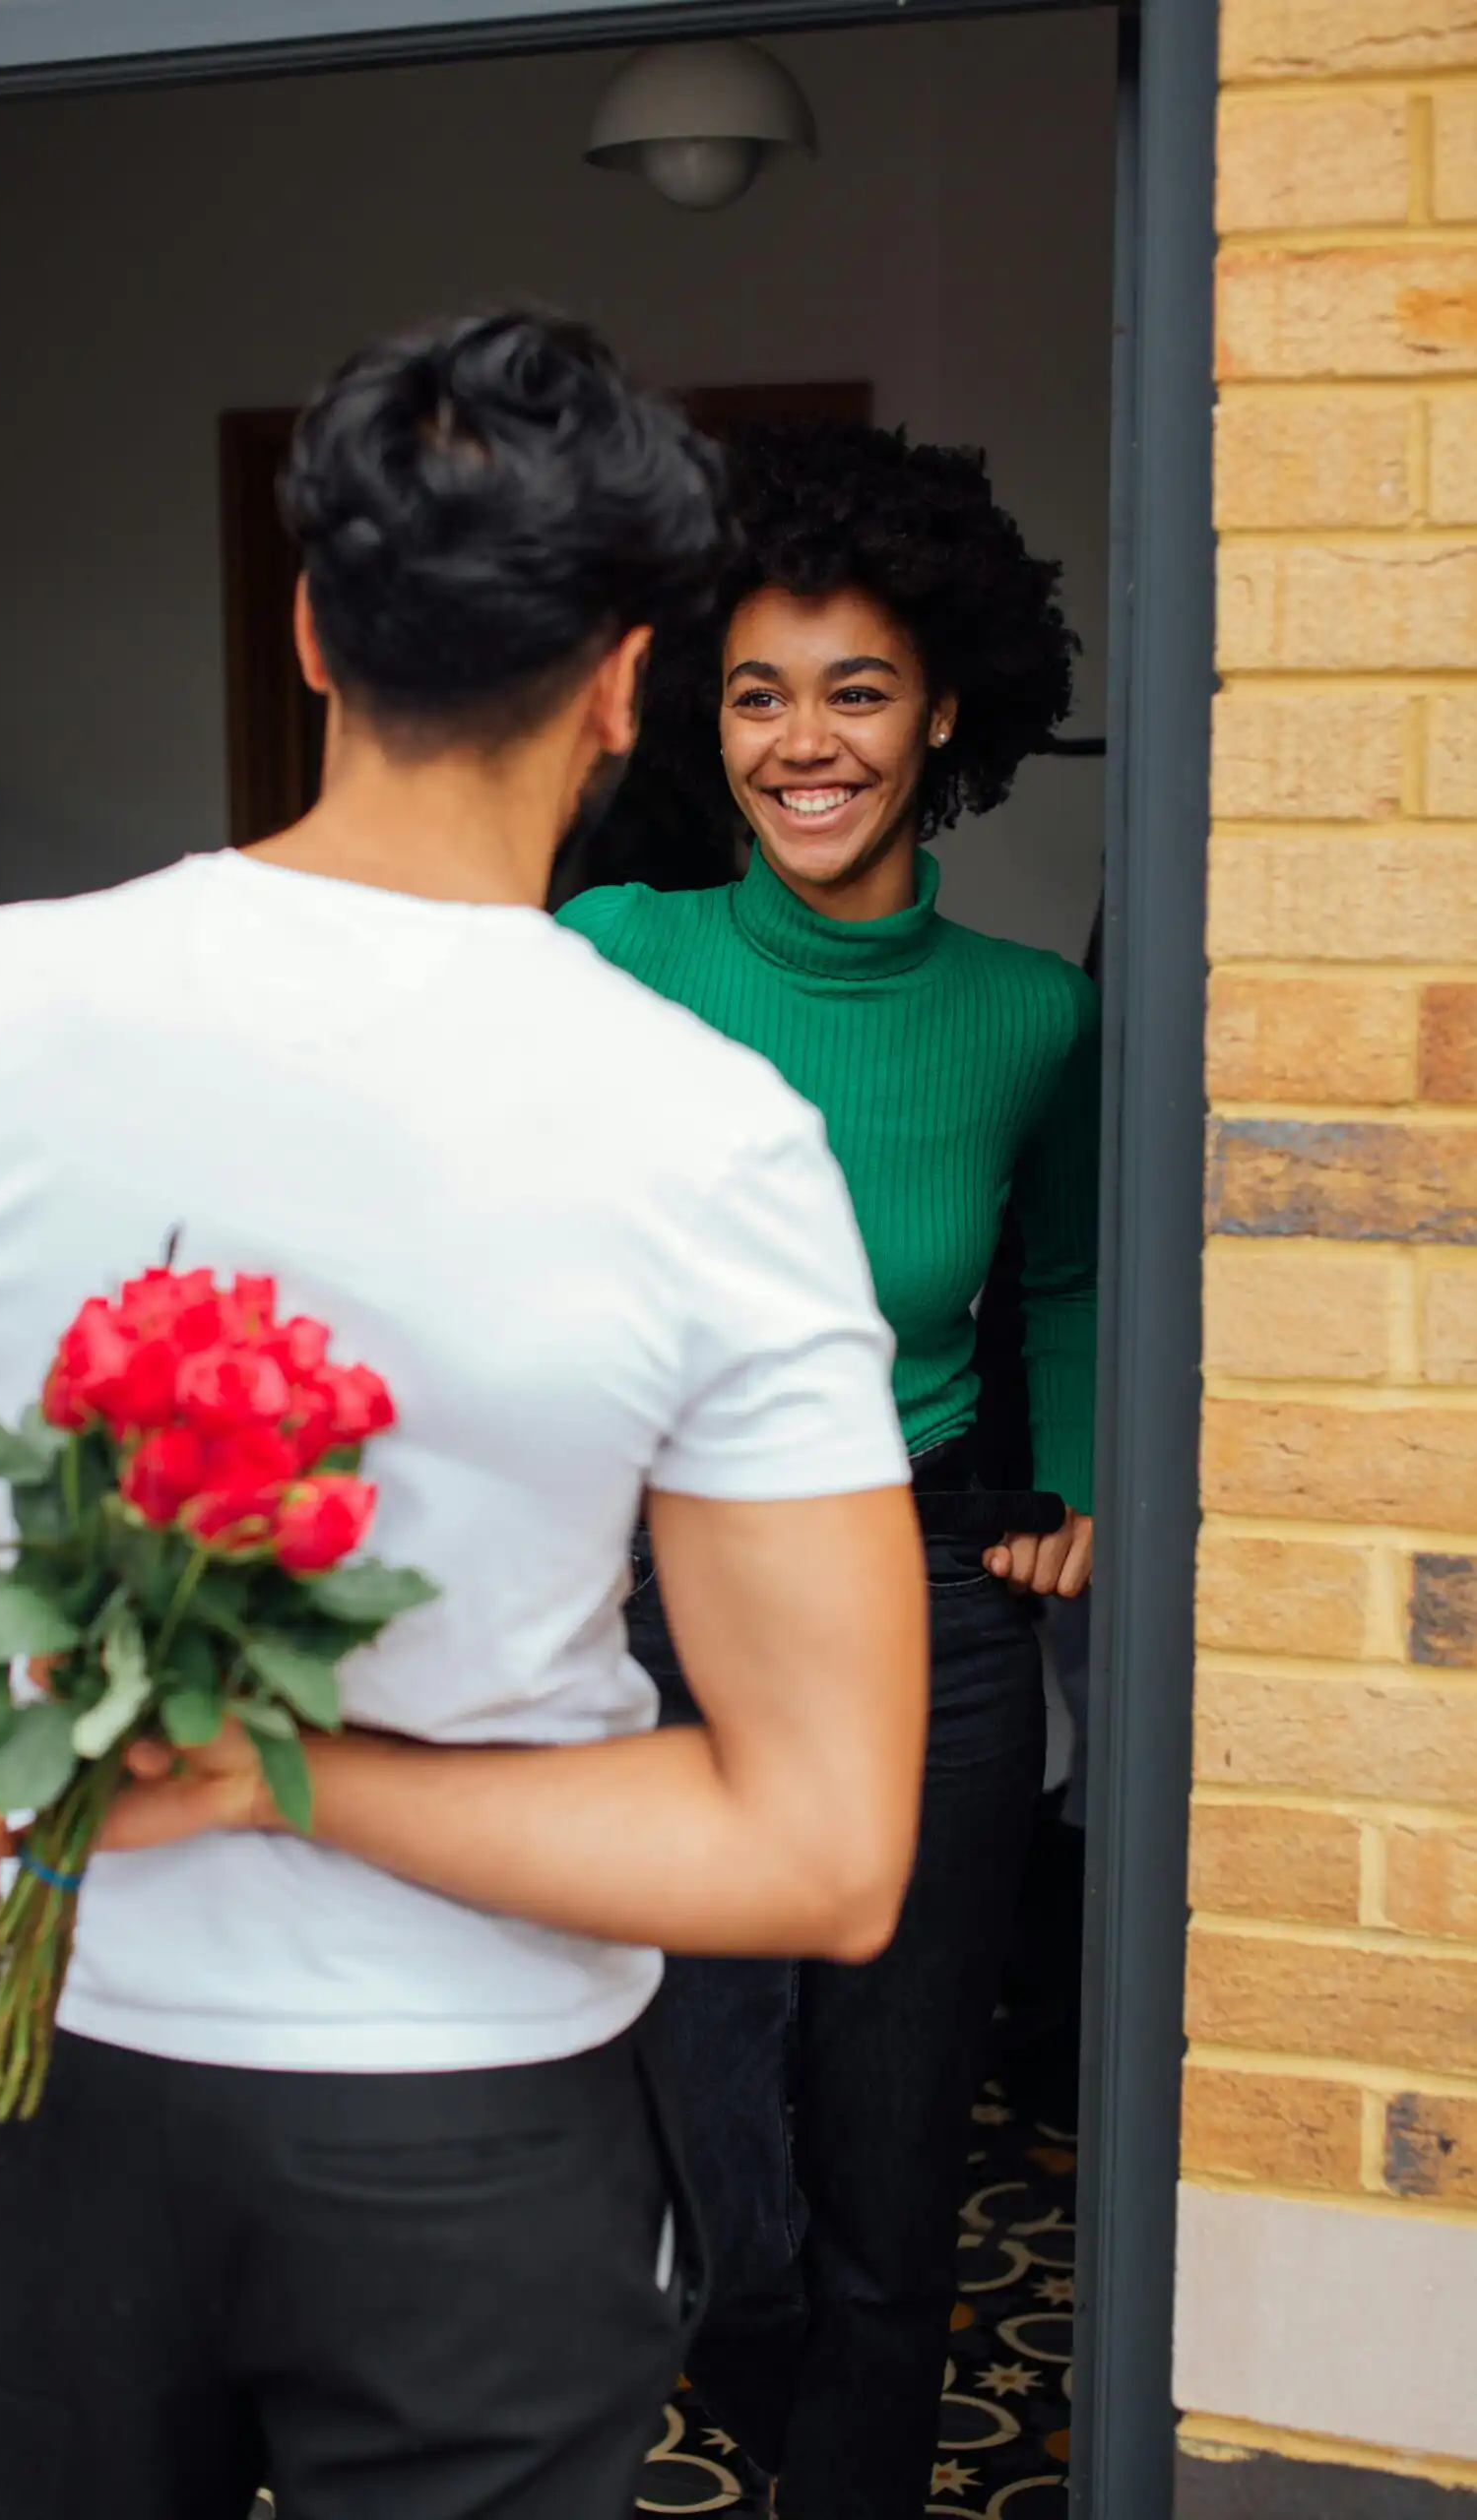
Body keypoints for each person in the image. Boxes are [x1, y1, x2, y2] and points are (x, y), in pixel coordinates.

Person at [0, 318, 931, 2520]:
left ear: (313, 627)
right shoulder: (702, 1133)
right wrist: (290, 1772)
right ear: (624, 681)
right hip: (473, 2126)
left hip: (71, 2069)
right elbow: (822, 1848)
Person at [557, 420, 1100, 2516]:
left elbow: (1056, 1290)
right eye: (759, 690)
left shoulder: (1030, 1018)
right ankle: (751, 2360)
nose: (805, 743)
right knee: (709, 2160)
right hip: (656, 1620)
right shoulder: (614, 951)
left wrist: (1089, 1504)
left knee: (896, 2184)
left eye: (856, 688)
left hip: (932, 1630)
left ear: (942, 707)